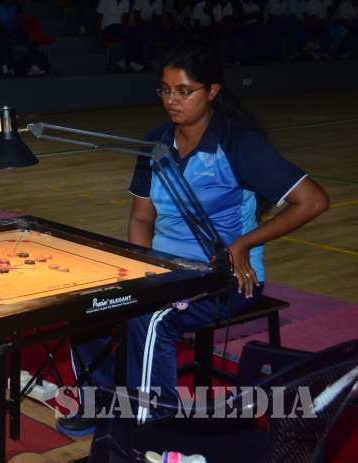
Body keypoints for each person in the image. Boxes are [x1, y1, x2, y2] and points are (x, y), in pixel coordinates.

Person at [56, 40, 329, 436]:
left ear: (212, 91)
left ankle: (152, 430)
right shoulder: (155, 142)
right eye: (165, 90)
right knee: (87, 303)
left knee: (151, 319)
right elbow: (141, 216)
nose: (172, 100)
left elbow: (313, 201)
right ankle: (101, 401)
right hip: (163, 270)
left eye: (184, 91)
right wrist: (142, 268)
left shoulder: (237, 144)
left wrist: (242, 245)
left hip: (226, 280)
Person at [0, 0, 46, 78]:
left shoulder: (16, 3)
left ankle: (34, 66)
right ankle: (10, 68)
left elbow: (22, 19)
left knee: (31, 39)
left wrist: (29, 32)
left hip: (13, 29)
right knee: (7, 40)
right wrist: (9, 33)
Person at [96, 0, 145, 71]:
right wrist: (102, 39)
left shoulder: (126, 1)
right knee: (123, 35)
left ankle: (123, 60)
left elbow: (125, 18)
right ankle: (129, 62)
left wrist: (125, 29)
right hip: (107, 27)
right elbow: (97, 21)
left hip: (119, 27)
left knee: (137, 34)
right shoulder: (105, 1)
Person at [131, 0, 180, 69]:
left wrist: (164, 26)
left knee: (173, 32)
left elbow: (158, 21)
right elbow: (137, 22)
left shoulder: (158, 1)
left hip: (150, 26)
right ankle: (153, 60)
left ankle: (170, 61)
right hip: (135, 27)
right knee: (151, 29)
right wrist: (155, 22)